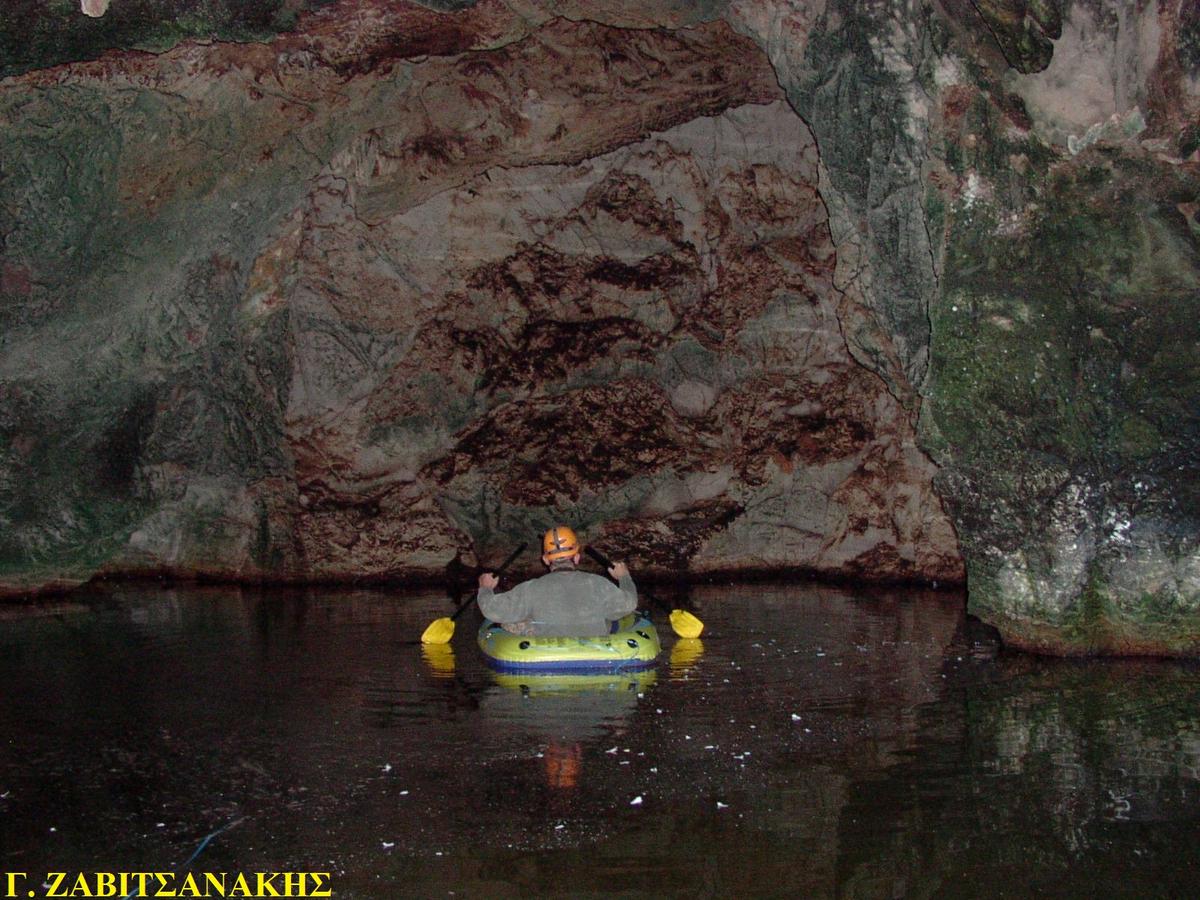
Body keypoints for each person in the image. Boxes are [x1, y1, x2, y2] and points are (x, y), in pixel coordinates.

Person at [477, 526, 637, 636]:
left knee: (509, 624)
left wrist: (485, 588)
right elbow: (630, 603)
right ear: (577, 557)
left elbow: (492, 610)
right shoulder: (598, 584)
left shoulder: (531, 588)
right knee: (610, 619)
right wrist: (624, 577)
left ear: (546, 560)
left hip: (546, 659)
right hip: (597, 654)